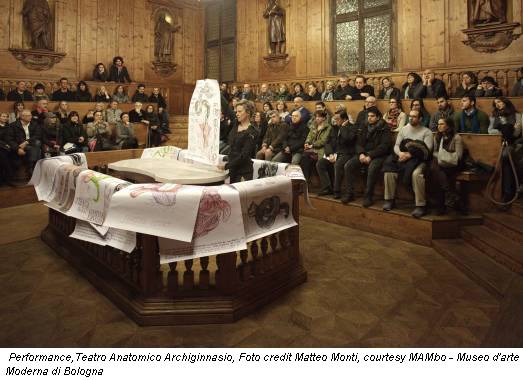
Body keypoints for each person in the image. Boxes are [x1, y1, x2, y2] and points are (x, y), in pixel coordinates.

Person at [383, 109, 434, 218]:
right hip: (403, 157)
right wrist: (400, 154)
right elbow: (396, 145)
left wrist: (410, 155)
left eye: (414, 116)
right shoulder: (404, 130)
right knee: (389, 171)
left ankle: (420, 205)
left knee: (416, 174)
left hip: (420, 160)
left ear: (420, 119)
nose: (411, 118)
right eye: (410, 116)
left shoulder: (427, 132)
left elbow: (427, 150)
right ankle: (389, 200)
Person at [343, 107, 391, 207]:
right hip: (364, 154)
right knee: (348, 165)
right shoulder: (364, 126)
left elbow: (384, 146)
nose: (369, 118)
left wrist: (370, 155)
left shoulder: (384, 127)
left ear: (378, 117)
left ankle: (368, 196)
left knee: (372, 168)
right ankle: (349, 193)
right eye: (368, 116)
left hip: (378, 155)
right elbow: (358, 143)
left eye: (372, 116)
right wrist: (361, 153)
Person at [488, 97, 522, 203]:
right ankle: (508, 192)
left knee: (506, 157)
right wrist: (505, 130)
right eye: (495, 103)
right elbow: (490, 131)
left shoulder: (517, 115)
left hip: (515, 144)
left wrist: (504, 129)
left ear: (505, 102)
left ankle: (509, 191)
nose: (497, 104)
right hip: (500, 143)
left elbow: (516, 133)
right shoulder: (494, 116)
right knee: (504, 159)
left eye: (499, 101)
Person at [317, 110, 357, 198]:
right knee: (320, 163)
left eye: (337, 119)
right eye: (334, 119)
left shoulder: (353, 127)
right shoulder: (334, 128)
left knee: (338, 165)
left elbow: (348, 139)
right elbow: (327, 143)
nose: (335, 121)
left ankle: (337, 190)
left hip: (346, 153)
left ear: (345, 119)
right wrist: (330, 154)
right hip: (334, 153)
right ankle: (327, 187)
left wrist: (343, 127)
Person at [430, 118, 463, 214]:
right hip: (441, 164)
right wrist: (441, 157)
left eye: (442, 124)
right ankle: (451, 194)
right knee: (437, 170)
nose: (439, 126)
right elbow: (434, 152)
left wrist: (444, 157)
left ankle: (441, 206)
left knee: (436, 171)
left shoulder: (456, 137)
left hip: (453, 164)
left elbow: (459, 156)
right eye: (438, 124)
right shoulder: (437, 136)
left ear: (448, 125)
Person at [225, 100, 258, 183]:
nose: (237, 114)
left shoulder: (253, 131)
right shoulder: (235, 124)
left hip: (244, 171)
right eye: (236, 111)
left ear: (248, 112)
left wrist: (226, 165)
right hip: (233, 169)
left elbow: (244, 155)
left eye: (239, 111)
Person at [300, 110, 332, 180]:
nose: (317, 118)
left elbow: (323, 141)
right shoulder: (314, 126)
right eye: (316, 117)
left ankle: (309, 179)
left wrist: (312, 145)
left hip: (321, 149)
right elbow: (309, 136)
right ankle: (305, 180)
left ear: (324, 118)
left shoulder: (328, 127)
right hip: (312, 149)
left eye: (319, 117)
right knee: (303, 157)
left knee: (306, 157)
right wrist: (307, 143)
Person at [9, 109, 43, 173]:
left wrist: (27, 142)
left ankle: (30, 167)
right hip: (20, 145)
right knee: (37, 149)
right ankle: (34, 168)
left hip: (31, 143)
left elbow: (38, 135)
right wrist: (17, 148)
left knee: (37, 143)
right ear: (22, 117)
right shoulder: (13, 125)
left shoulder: (34, 124)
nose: (31, 117)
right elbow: (9, 139)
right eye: (28, 115)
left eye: (31, 115)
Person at [0, 112, 15, 185]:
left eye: (6, 116)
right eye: (3, 116)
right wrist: (5, 145)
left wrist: (9, 144)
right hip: (2, 147)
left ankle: (8, 179)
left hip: (9, 146)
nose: (5, 118)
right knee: (3, 158)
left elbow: (11, 137)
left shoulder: (9, 126)